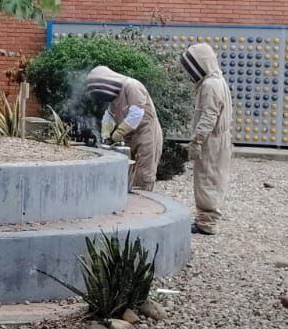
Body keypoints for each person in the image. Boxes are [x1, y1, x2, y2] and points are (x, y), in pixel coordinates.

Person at [181, 42, 233, 235]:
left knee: (207, 178)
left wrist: (197, 140)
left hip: (211, 140)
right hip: (219, 138)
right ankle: (207, 220)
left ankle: (206, 222)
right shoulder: (218, 81)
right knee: (214, 177)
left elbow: (209, 115)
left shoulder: (210, 85)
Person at [86, 65, 163, 193]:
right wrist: (105, 132)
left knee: (144, 173)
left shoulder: (132, 86)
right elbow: (109, 115)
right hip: (129, 137)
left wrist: (119, 132)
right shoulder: (115, 97)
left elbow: (136, 113)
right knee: (127, 172)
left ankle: (143, 202)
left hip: (147, 133)